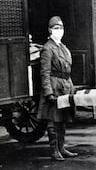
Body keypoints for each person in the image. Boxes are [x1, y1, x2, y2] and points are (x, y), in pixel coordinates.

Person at [37, 16, 78, 161]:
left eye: (60, 28)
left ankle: (61, 148)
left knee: (63, 119)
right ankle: (54, 150)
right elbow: (45, 72)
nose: (59, 31)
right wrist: (48, 92)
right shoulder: (47, 48)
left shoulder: (63, 48)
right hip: (54, 87)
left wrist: (71, 88)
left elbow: (67, 70)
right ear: (50, 30)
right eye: (55, 28)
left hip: (65, 86)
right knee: (53, 120)